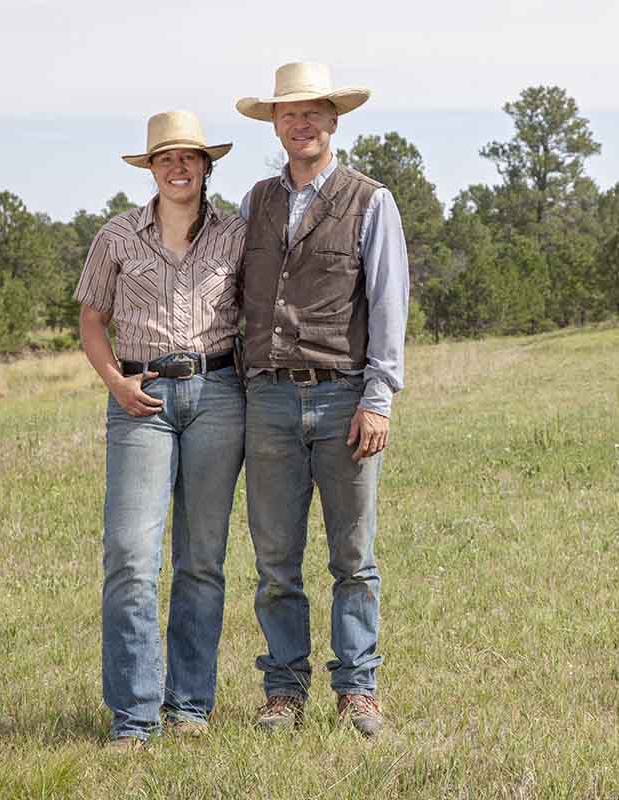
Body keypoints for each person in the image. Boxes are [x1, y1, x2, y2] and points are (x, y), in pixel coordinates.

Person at [235, 62, 409, 736]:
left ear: (334, 121)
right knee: (275, 561)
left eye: (312, 113)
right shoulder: (256, 202)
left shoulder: (372, 200)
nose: (300, 124)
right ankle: (284, 692)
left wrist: (379, 397)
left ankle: (357, 691)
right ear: (276, 126)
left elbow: (388, 305)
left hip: (343, 400)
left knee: (352, 559)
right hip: (269, 402)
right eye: (288, 114)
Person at [75, 110, 246, 749]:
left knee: (201, 559)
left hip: (220, 393)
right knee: (128, 555)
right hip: (139, 394)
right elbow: (93, 318)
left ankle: (191, 707)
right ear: (150, 167)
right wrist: (116, 383)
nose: (178, 166)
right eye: (165, 157)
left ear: (206, 166)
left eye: (190, 157)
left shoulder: (236, 235)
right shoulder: (116, 237)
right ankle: (135, 715)